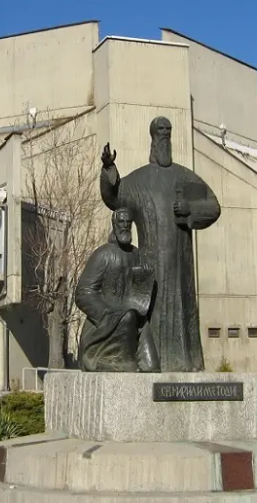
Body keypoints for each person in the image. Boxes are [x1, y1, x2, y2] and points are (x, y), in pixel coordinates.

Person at [100, 117, 221, 372]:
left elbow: (213, 206)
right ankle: (150, 362)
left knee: (183, 314)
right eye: (160, 131)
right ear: (152, 138)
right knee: (150, 314)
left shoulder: (185, 177)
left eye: (168, 130)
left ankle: (186, 362)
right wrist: (109, 169)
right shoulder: (138, 180)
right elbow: (114, 197)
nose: (164, 135)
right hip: (151, 268)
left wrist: (190, 208)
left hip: (180, 268)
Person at [75, 208, 159, 372]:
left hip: (135, 319)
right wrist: (107, 313)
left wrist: (146, 276)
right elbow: (83, 293)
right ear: (114, 224)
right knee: (127, 318)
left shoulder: (137, 255)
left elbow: (140, 294)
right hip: (107, 321)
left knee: (152, 366)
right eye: (121, 222)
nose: (125, 226)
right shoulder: (102, 254)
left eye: (128, 222)